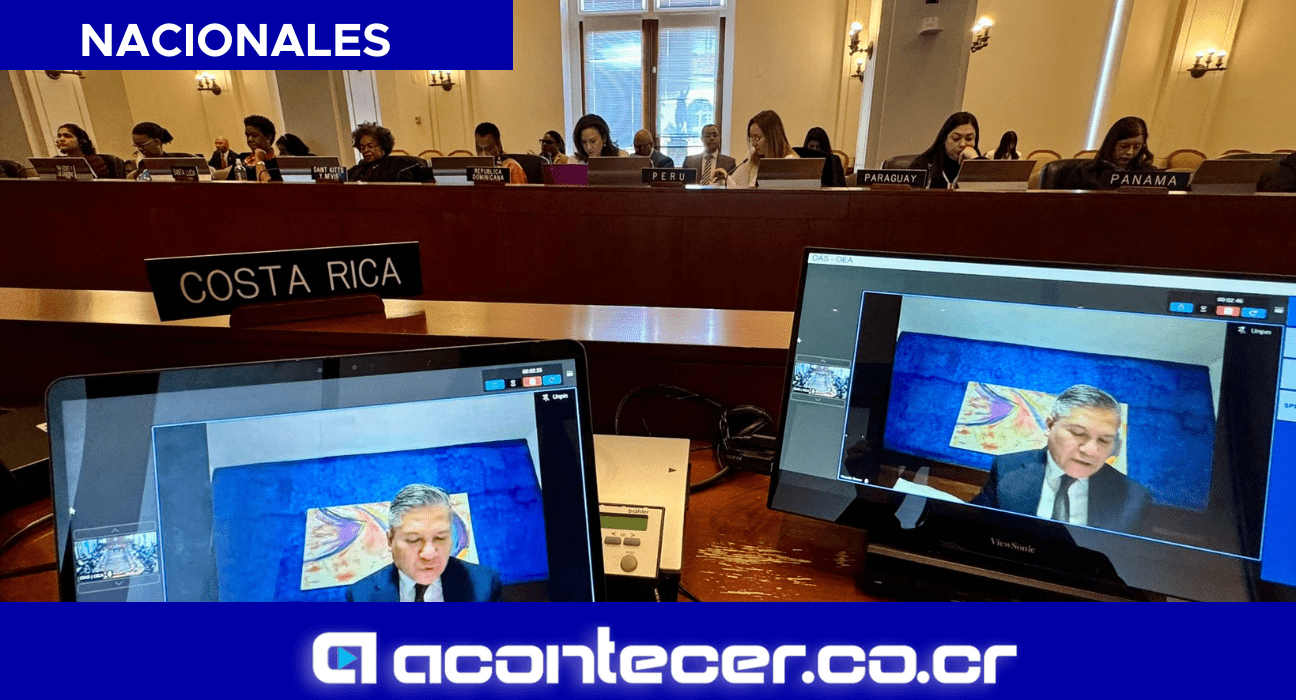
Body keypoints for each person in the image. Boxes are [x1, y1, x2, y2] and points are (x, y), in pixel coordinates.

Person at [971, 384, 1150, 535]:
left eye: (1104, 440)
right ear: (1050, 425)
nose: (1091, 451)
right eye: (1078, 433)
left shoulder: (1134, 498)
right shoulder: (1007, 467)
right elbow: (976, 525)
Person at [346, 484, 502, 602]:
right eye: (413, 540)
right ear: (390, 539)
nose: (428, 554)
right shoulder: (361, 596)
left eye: (440, 538)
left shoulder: (484, 585)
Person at [1059, 116, 1158, 190]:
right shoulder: (1086, 174)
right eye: (1123, 146)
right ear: (1111, 144)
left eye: (1137, 147)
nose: (1130, 152)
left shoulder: (1148, 175)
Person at [723, 110, 798, 189]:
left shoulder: (790, 161)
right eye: (751, 138)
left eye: (757, 138)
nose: (753, 143)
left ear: (772, 137)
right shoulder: (753, 157)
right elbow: (733, 184)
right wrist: (723, 179)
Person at [908, 112, 981, 189]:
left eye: (969, 139)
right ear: (944, 139)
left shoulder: (981, 167)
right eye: (956, 138)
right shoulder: (921, 166)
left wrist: (975, 161)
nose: (962, 144)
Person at [347, 122, 412, 182]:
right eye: (362, 148)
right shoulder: (357, 170)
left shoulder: (395, 167)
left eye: (370, 146)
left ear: (382, 146)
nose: (365, 150)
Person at [127, 122, 193, 180]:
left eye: (142, 145)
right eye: (137, 146)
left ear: (157, 142)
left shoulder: (176, 163)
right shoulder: (143, 164)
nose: (140, 149)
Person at [239, 115, 283, 182]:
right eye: (247, 136)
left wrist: (259, 160)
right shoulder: (241, 158)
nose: (249, 139)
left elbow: (269, 186)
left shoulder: (277, 163)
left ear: (268, 137)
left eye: (254, 135)